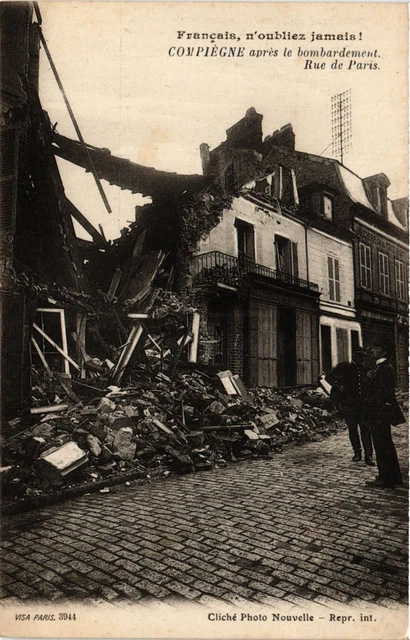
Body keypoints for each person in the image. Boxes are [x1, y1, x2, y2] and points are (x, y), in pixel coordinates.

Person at [363, 342, 404, 489]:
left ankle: (385, 478)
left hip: (379, 412)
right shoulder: (379, 367)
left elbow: (382, 393)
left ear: (384, 351)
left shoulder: (385, 368)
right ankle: (394, 477)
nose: (372, 350)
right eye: (372, 347)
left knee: (382, 445)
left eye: (376, 348)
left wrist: (367, 401)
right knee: (386, 444)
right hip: (379, 412)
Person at [328, 347, 375, 466]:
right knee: (353, 430)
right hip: (349, 406)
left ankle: (368, 455)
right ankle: (357, 452)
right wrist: (339, 389)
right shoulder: (345, 368)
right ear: (353, 356)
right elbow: (331, 379)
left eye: (362, 357)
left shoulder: (367, 370)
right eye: (358, 356)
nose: (361, 359)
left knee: (365, 430)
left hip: (363, 406)